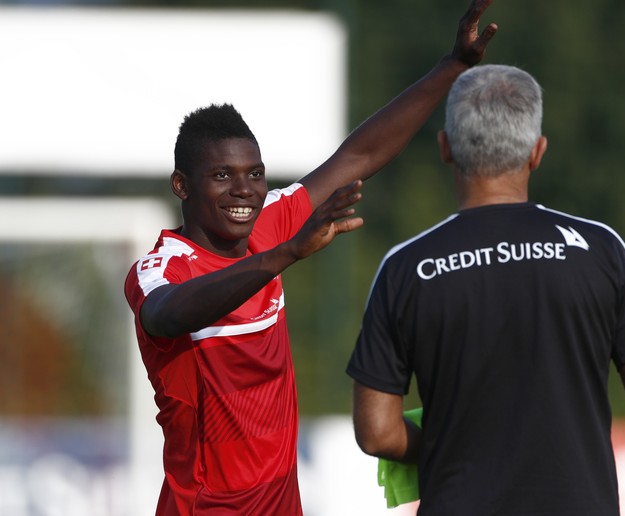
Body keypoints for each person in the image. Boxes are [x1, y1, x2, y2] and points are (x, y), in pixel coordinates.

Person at [123, 2, 497, 514]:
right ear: (181, 186)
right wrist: (285, 254)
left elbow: (358, 156)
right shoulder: (162, 268)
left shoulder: (271, 221)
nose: (246, 190)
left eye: (255, 173)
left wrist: (451, 67)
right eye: (222, 175)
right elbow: (165, 314)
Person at [347, 64, 625, 515]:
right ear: (537, 151)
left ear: (445, 148)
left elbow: (376, 432)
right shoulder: (600, 249)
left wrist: (457, 444)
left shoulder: (406, 268)